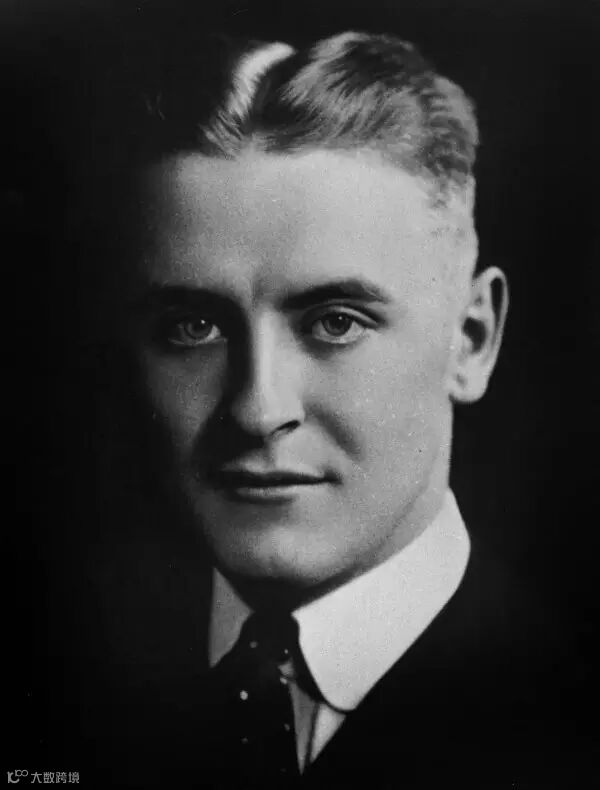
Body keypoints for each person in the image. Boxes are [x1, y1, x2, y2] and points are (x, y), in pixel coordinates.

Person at [59, 28, 581, 789]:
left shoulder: (565, 717)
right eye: (193, 327)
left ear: (471, 340)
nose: (256, 409)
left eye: (335, 322)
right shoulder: (64, 685)